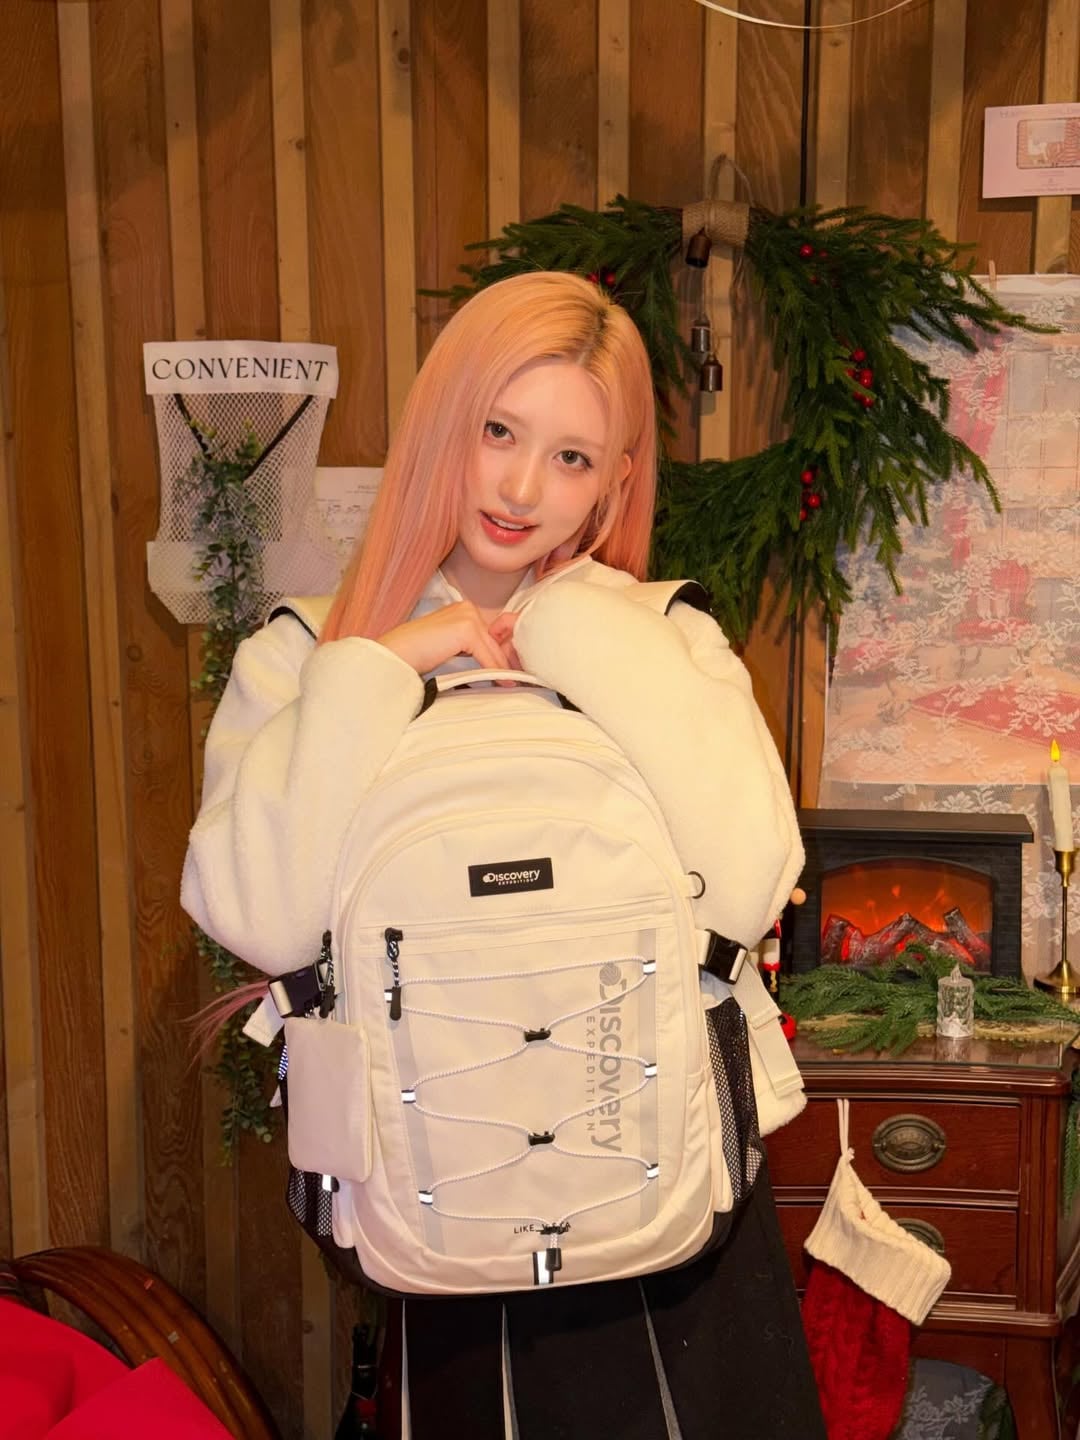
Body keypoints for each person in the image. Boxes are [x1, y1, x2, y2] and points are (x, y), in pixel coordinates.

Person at [181, 271, 826, 1439]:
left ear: (617, 478)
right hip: (440, 1200)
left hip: (670, 1176)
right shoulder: (307, 655)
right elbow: (258, 916)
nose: (524, 488)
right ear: (443, 424)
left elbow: (747, 877)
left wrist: (573, 630)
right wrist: (384, 666)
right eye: (498, 433)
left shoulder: (660, 633)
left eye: (572, 458)